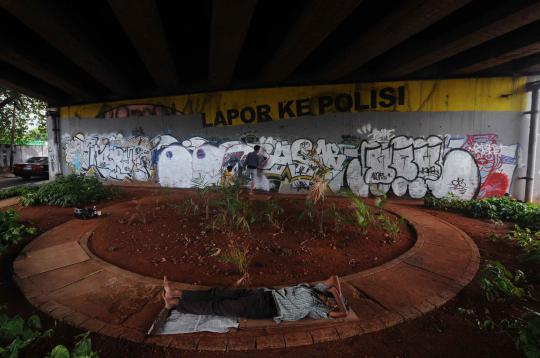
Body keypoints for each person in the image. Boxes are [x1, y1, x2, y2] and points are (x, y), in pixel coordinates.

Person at [161, 275, 348, 322]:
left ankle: (176, 305)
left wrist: (338, 297)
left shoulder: (318, 309)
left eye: (333, 304)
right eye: (332, 299)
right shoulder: (316, 290)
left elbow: (342, 314)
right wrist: (333, 289)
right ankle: (176, 294)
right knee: (218, 293)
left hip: (267, 308)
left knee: (219, 306)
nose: (332, 303)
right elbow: (334, 278)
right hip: (263, 293)